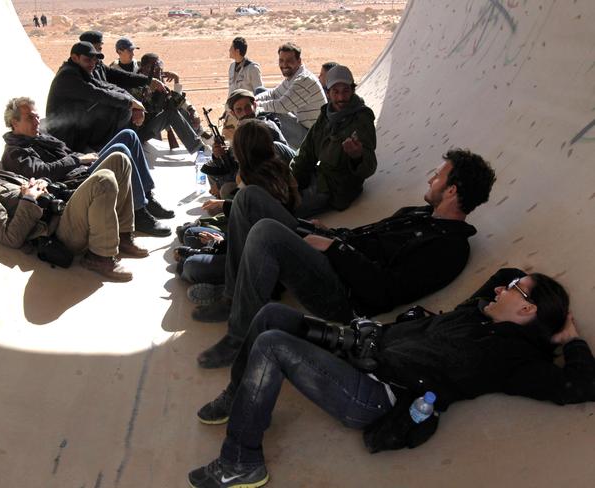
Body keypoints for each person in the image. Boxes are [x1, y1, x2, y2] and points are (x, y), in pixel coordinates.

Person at [188, 268, 595, 487]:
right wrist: (514, 292)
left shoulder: (514, 358)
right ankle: (241, 393)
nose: (502, 288)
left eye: (514, 290)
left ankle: (241, 462)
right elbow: (505, 271)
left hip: (378, 393)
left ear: (526, 313)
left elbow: (579, 387)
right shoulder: (477, 311)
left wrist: (569, 339)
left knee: (273, 343)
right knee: (271, 315)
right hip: (363, 352)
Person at [193, 149, 496, 368]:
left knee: (266, 233)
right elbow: (368, 237)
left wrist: (335, 248)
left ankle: (238, 337)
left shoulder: (449, 248)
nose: (431, 179)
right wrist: (334, 234)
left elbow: (385, 291)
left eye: (438, 176)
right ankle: (234, 296)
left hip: (342, 293)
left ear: (452, 190)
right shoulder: (417, 214)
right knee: (249, 198)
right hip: (333, 256)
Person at [0, 145, 148, 282]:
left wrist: (41, 184)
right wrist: (29, 198)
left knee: (119, 160)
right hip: (58, 231)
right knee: (104, 179)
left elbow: (32, 190)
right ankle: (100, 256)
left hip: (64, 209)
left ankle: (122, 235)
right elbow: (10, 237)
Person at [1, 97, 173, 236]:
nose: (37, 121)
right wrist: (78, 160)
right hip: (73, 183)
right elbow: (42, 172)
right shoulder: (16, 152)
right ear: (14, 122)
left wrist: (82, 158)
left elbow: (66, 153)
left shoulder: (39, 137)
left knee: (129, 135)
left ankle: (147, 197)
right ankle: (139, 212)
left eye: (37, 116)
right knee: (119, 150)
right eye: (30, 117)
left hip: (80, 170)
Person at [180, 120, 301, 300]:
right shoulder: (260, 170)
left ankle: (230, 289)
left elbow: (254, 237)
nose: (232, 151)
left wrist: (218, 244)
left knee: (190, 266)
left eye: (234, 146)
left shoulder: (262, 181)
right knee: (189, 234)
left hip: (255, 258)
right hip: (240, 243)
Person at [290, 65, 377, 217]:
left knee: (289, 210)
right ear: (328, 93)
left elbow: (369, 166)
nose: (341, 98)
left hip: (334, 189)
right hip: (317, 175)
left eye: (346, 91)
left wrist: (357, 157)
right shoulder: (326, 115)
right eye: (336, 92)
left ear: (352, 91)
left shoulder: (361, 119)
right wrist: (292, 180)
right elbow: (306, 152)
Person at [45, 41, 145, 152]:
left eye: (94, 60)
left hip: (76, 127)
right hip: (65, 134)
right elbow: (98, 94)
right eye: (87, 60)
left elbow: (107, 86)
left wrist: (133, 102)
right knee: (118, 106)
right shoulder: (68, 75)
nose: (92, 64)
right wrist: (129, 103)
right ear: (74, 58)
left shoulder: (80, 70)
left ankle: (108, 148)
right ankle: (103, 149)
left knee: (122, 105)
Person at [254, 43, 326, 149]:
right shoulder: (293, 77)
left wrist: (254, 106)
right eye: (281, 60)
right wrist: (251, 100)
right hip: (303, 128)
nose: (284, 64)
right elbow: (273, 94)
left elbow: (281, 106)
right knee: (259, 92)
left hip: (314, 139)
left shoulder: (304, 80)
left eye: (289, 60)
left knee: (268, 114)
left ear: (299, 61)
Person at [130, 53, 205, 149]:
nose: (160, 72)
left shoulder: (156, 83)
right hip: (139, 132)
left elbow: (176, 103)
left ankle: (202, 139)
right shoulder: (139, 84)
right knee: (171, 114)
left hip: (151, 126)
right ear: (146, 70)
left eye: (160, 69)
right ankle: (198, 148)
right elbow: (154, 108)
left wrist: (177, 80)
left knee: (182, 111)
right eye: (156, 69)